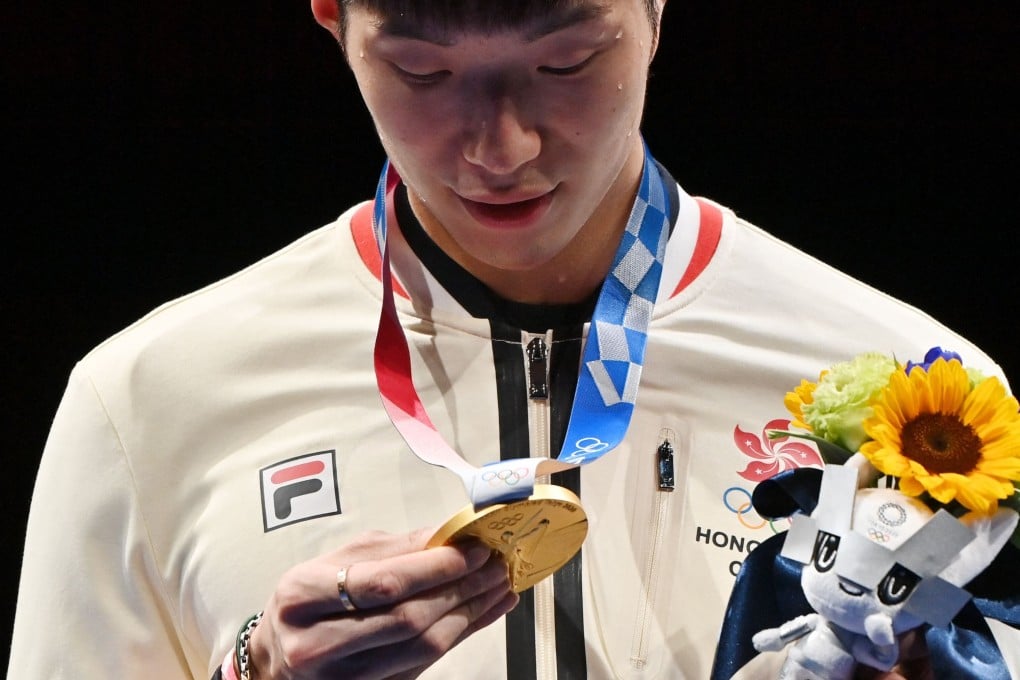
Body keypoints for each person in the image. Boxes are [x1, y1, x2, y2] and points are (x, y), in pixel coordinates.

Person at [8, 1, 1018, 678]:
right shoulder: (146, 396)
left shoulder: (929, 398)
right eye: (421, 66)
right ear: (333, 17)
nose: (502, 147)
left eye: (566, 59)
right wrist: (253, 668)